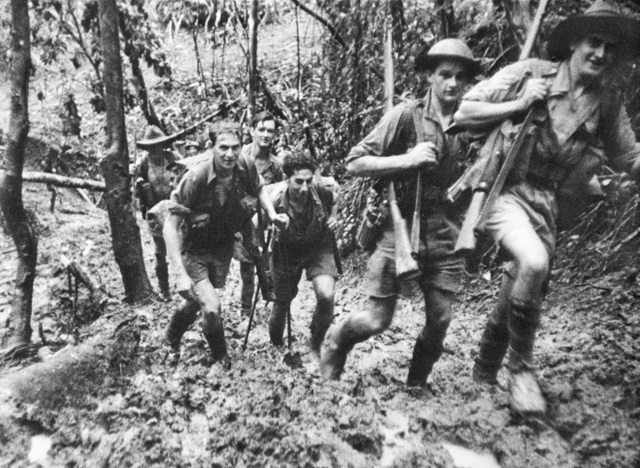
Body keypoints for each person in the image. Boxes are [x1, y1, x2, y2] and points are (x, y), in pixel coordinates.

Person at [453, 0, 640, 413]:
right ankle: (521, 370)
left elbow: (630, 159)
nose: (601, 54)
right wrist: (518, 104)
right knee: (533, 262)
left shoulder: (606, 103)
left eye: (611, 47)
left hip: (551, 206)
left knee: (522, 279)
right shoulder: (530, 74)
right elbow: (465, 112)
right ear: (574, 42)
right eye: (594, 42)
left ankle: (484, 370)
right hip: (505, 192)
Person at [320, 39, 482, 387]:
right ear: (430, 77)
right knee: (377, 320)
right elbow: (355, 162)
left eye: (460, 77)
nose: (453, 83)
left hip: (443, 229)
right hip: (399, 226)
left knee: (440, 320)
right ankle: (334, 344)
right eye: (445, 75)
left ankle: (416, 385)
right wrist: (407, 159)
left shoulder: (470, 120)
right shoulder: (405, 116)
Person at [162, 120, 288, 365]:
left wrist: (272, 214)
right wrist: (179, 274)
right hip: (194, 248)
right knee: (210, 306)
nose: (230, 154)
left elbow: (260, 188)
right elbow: (170, 225)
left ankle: (171, 336)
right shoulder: (196, 177)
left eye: (235, 147)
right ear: (212, 147)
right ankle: (222, 358)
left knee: (195, 302)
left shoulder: (245, 165)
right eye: (223, 147)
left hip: (221, 247)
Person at [268, 153, 340, 353]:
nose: (304, 188)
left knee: (326, 296)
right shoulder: (276, 198)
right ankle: (276, 348)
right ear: (287, 179)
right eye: (298, 182)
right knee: (281, 303)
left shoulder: (319, 189)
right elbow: (258, 219)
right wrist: (273, 223)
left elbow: (335, 197)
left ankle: (315, 345)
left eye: (308, 181)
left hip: (318, 245)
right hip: (286, 250)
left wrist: (333, 217)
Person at [237, 111, 285, 315]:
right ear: (251, 131)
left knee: (268, 267)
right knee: (246, 269)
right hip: (240, 220)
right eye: (261, 129)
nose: (265, 135)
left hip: (265, 224)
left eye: (270, 131)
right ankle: (245, 311)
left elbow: (282, 194)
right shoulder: (239, 157)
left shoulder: (276, 166)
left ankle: (273, 307)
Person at [133, 125, 182, 298]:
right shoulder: (143, 163)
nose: (155, 150)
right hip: (154, 213)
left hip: (174, 210)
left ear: (163, 145)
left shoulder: (174, 158)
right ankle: (165, 289)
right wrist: (139, 183)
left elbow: (187, 177)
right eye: (151, 146)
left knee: (182, 248)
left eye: (158, 145)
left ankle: (187, 286)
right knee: (160, 252)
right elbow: (136, 190)